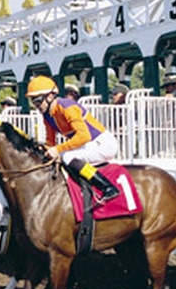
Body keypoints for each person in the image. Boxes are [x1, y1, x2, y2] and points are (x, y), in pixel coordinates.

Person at [27, 75, 120, 204]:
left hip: (103, 143)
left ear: (50, 96)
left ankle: (108, 187)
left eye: (37, 100)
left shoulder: (67, 107)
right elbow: (50, 141)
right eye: (33, 101)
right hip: (89, 144)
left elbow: (84, 136)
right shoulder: (47, 116)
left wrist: (58, 149)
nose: (35, 105)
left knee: (67, 157)